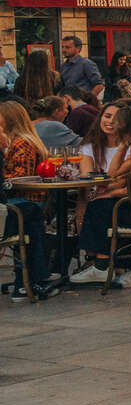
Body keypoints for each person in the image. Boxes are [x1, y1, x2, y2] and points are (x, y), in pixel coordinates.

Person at [70, 102, 131, 285]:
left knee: (103, 209)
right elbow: (114, 174)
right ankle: (105, 265)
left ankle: (100, 265)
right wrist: (122, 147)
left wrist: (107, 193)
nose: (113, 124)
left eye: (118, 121)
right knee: (103, 208)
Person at [1, 100, 57, 299]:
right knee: (32, 225)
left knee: (30, 222)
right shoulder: (16, 142)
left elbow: (20, 176)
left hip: (25, 198)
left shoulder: (21, 142)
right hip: (24, 203)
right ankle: (34, 280)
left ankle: (27, 282)